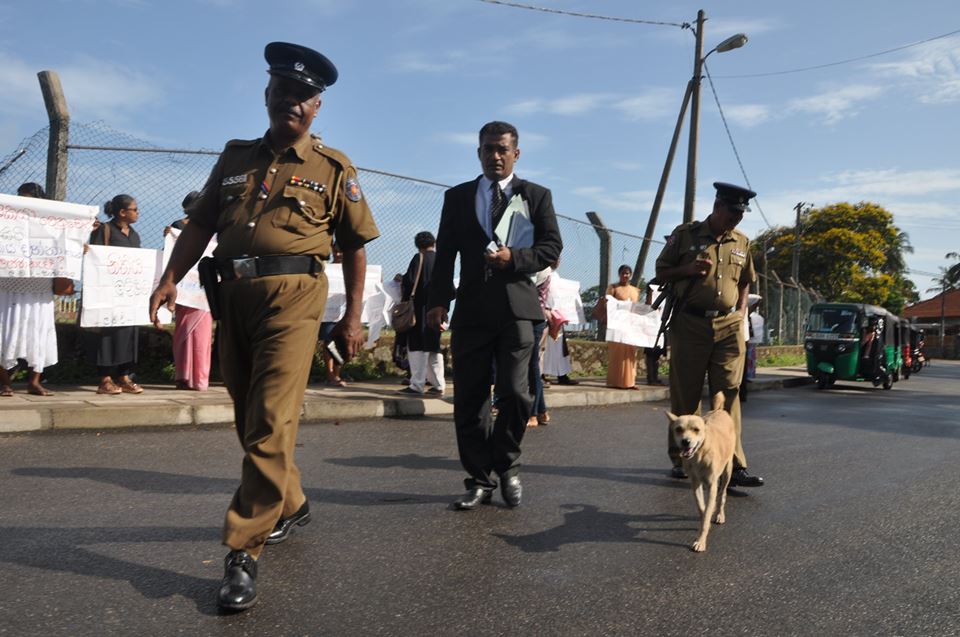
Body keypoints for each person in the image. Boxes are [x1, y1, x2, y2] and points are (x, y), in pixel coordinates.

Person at [149, 42, 379, 612]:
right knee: (249, 414)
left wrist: (351, 316)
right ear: (267, 95)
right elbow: (202, 222)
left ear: (317, 106)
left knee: (273, 416)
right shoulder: (234, 158)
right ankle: (291, 501)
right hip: (231, 296)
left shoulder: (333, 169)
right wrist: (171, 277)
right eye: (283, 92)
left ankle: (243, 550)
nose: (291, 103)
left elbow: (353, 246)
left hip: (296, 297)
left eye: (303, 97)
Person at [426, 120, 562, 511]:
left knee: (518, 394)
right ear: (479, 152)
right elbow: (446, 253)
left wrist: (513, 259)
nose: (495, 156)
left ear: (516, 154)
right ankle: (479, 480)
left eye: (502, 149)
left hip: (518, 310)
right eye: (488, 149)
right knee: (469, 399)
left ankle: (507, 466)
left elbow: (551, 247)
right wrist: (438, 301)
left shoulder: (536, 196)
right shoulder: (458, 197)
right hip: (470, 310)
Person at [655, 182, 764, 488]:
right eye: (732, 212)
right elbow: (661, 272)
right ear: (717, 206)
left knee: (729, 394)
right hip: (690, 325)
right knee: (686, 394)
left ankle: (732, 462)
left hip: (729, 326)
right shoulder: (686, 235)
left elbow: (746, 282)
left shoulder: (742, 242)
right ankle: (682, 459)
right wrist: (688, 269)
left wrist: (741, 314)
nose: (736, 219)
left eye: (741, 213)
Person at [0, 182, 61, 397]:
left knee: (39, 333)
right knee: (5, 332)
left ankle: (34, 381)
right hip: (9, 285)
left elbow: (65, 241)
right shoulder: (5, 220)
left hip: (40, 287)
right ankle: (4, 381)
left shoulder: (50, 222)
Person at [86, 193, 144, 395]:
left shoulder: (134, 235)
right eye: (134, 209)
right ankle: (105, 379)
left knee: (128, 334)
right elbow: (96, 257)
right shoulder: (105, 230)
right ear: (122, 212)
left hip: (128, 296)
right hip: (108, 294)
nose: (138, 213)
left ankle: (124, 376)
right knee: (108, 336)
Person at [165, 191, 213, 391]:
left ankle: (199, 378)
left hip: (202, 292)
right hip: (185, 289)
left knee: (202, 336)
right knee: (184, 332)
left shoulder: (211, 229)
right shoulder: (178, 227)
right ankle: (183, 376)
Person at [398, 231, 445, 396]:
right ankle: (439, 385)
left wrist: (401, 280)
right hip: (437, 311)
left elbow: (410, 281)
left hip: (419, 310)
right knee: (434, 348)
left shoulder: (419, 258)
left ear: (418, 245)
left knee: (416, 347)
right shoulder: (441, 260)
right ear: (434, 243)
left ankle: (416, 384)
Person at [605, 264, 641, 389]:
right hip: (617, 325)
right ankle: (615, 381)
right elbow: (608, 305)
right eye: (623, 273)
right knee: (617, 353)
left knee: (630, 353)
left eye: (627, 273)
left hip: (630, 325)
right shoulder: (613, 288)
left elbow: (636, 308)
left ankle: (630, 382)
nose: (625, 275)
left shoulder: (635, 290)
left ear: (630, 275)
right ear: (619, 274)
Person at [320, 245, 345, 387]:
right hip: (329, 313)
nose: (338, 254)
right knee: (329, 343)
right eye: (336, 251)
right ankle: (330, 375)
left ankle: (337, 373)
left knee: (341, 344)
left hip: (344, 312)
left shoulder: (354, 270)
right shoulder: (328, 269)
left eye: (341, 251)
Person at [739, 294, 763, 401]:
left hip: (745, 339)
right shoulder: (745, 312)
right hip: (742, 339)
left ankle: (742, 392)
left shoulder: (746, 312)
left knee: (744, 365)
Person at [643, 278, 666, 386]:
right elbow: (649, 304)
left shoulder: (668, 283)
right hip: (651, 323)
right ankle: (651, 378)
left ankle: (654, 377)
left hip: (662, 323)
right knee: (650, 352)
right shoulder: (652, 284)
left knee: (657, 353)